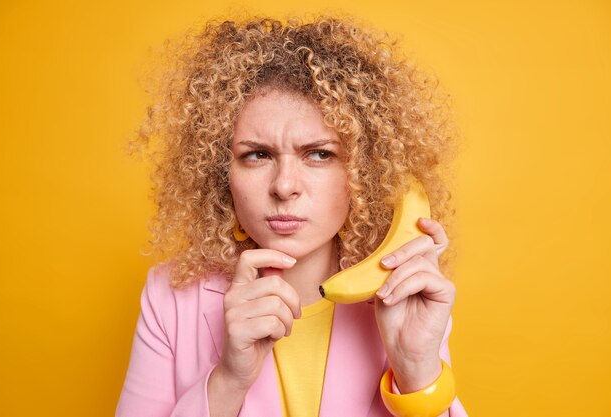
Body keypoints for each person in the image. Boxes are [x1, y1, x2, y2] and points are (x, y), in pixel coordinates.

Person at [116, 15, 468, 417]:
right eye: (257, 155)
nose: (285, 186)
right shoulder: (169, 298)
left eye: (319, 154)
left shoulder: (403, 295)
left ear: (362, 173)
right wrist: (230, 378)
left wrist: (416, 371)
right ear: (221, 173)